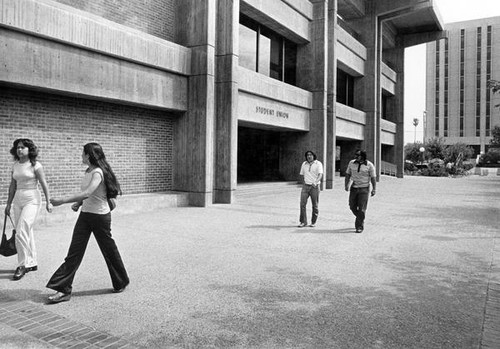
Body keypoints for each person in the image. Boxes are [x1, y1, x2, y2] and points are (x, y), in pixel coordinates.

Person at [46, 143, 129, 303]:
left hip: (100, 217)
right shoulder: (88, 171)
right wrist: (79, 204)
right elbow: (90, 195)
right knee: (74, 252)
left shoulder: (97, 172)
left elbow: (88, 192)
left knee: (109, 250)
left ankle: (121, 281)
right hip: (85, 216)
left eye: (83, 153)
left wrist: (62, 201)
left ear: (89, 155)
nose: (81, 156)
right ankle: (63, 289)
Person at [5, 139, 52, 280]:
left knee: (21, 231)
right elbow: (12, 186)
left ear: (29, 150)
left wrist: (48, 202)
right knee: (27, 232)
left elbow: (44, 183)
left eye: (22, 147)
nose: (19, 150)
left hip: (32, 199)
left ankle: (22, 265)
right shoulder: (15, 165)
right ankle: (32, 262)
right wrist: (8, 204)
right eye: (17, 148)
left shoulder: (36, 165)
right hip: (18, 199)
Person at [344, 149, 376, 233]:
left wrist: (374, 189)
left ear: (362, 156)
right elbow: (347, 174)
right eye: (355, 155)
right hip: (354, 188)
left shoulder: (369, 165)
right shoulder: (351, 163)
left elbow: (373, 178)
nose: (355, 156)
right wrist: (346, 184)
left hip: (364, 189)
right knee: (352, 206)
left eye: (357, 155)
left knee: (362, 208)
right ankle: (361, 218)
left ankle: (359, 226)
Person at [298, 150, 323, 227]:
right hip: (305, 186)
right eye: (307, 155)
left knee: (315, 205)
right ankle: (303, 222)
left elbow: (320, 175)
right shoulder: (304, 164)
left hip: (314, 186)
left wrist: (316, 182)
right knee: (302, 204)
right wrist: (304, 183)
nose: (309, 156)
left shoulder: (318, 163)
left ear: (313, 156)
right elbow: (302, 174)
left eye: (311, 155)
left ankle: (313, 222)